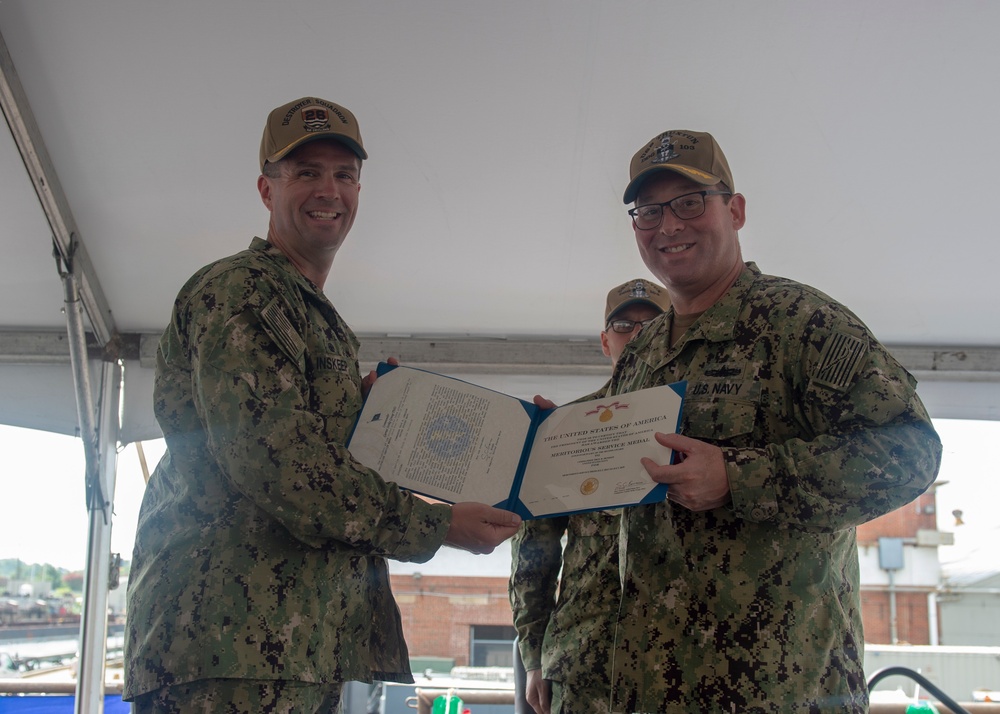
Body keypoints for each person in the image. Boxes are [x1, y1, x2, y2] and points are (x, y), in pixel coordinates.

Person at [122, 97, 522, 713]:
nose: (328, 189)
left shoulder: (310, 313)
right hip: (235, 649)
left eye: (344, 174)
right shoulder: (244, 292)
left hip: (289, 649)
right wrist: (440, 525)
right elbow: (283, 468)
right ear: (266, 188)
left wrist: (378, 417)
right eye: (306, 172)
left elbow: (302, 448)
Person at [603, 130, 943, 712]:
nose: (669, 226)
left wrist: (739, 477)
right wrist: (549, 454)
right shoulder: (640, 353)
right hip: (652, 683)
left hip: (781, 688)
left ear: (734, 211)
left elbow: (910, 454)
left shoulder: (804, 324)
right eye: (649, 212)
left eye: (690, 203)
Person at [510, 278, 670, 714]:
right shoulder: (568, 427)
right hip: (587, 661)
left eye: (652, 324)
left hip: (684, 659)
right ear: (605, 341)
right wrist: (534, 655)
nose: (637, 334)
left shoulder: (702, 422)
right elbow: (533, 553)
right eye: (623, 325)